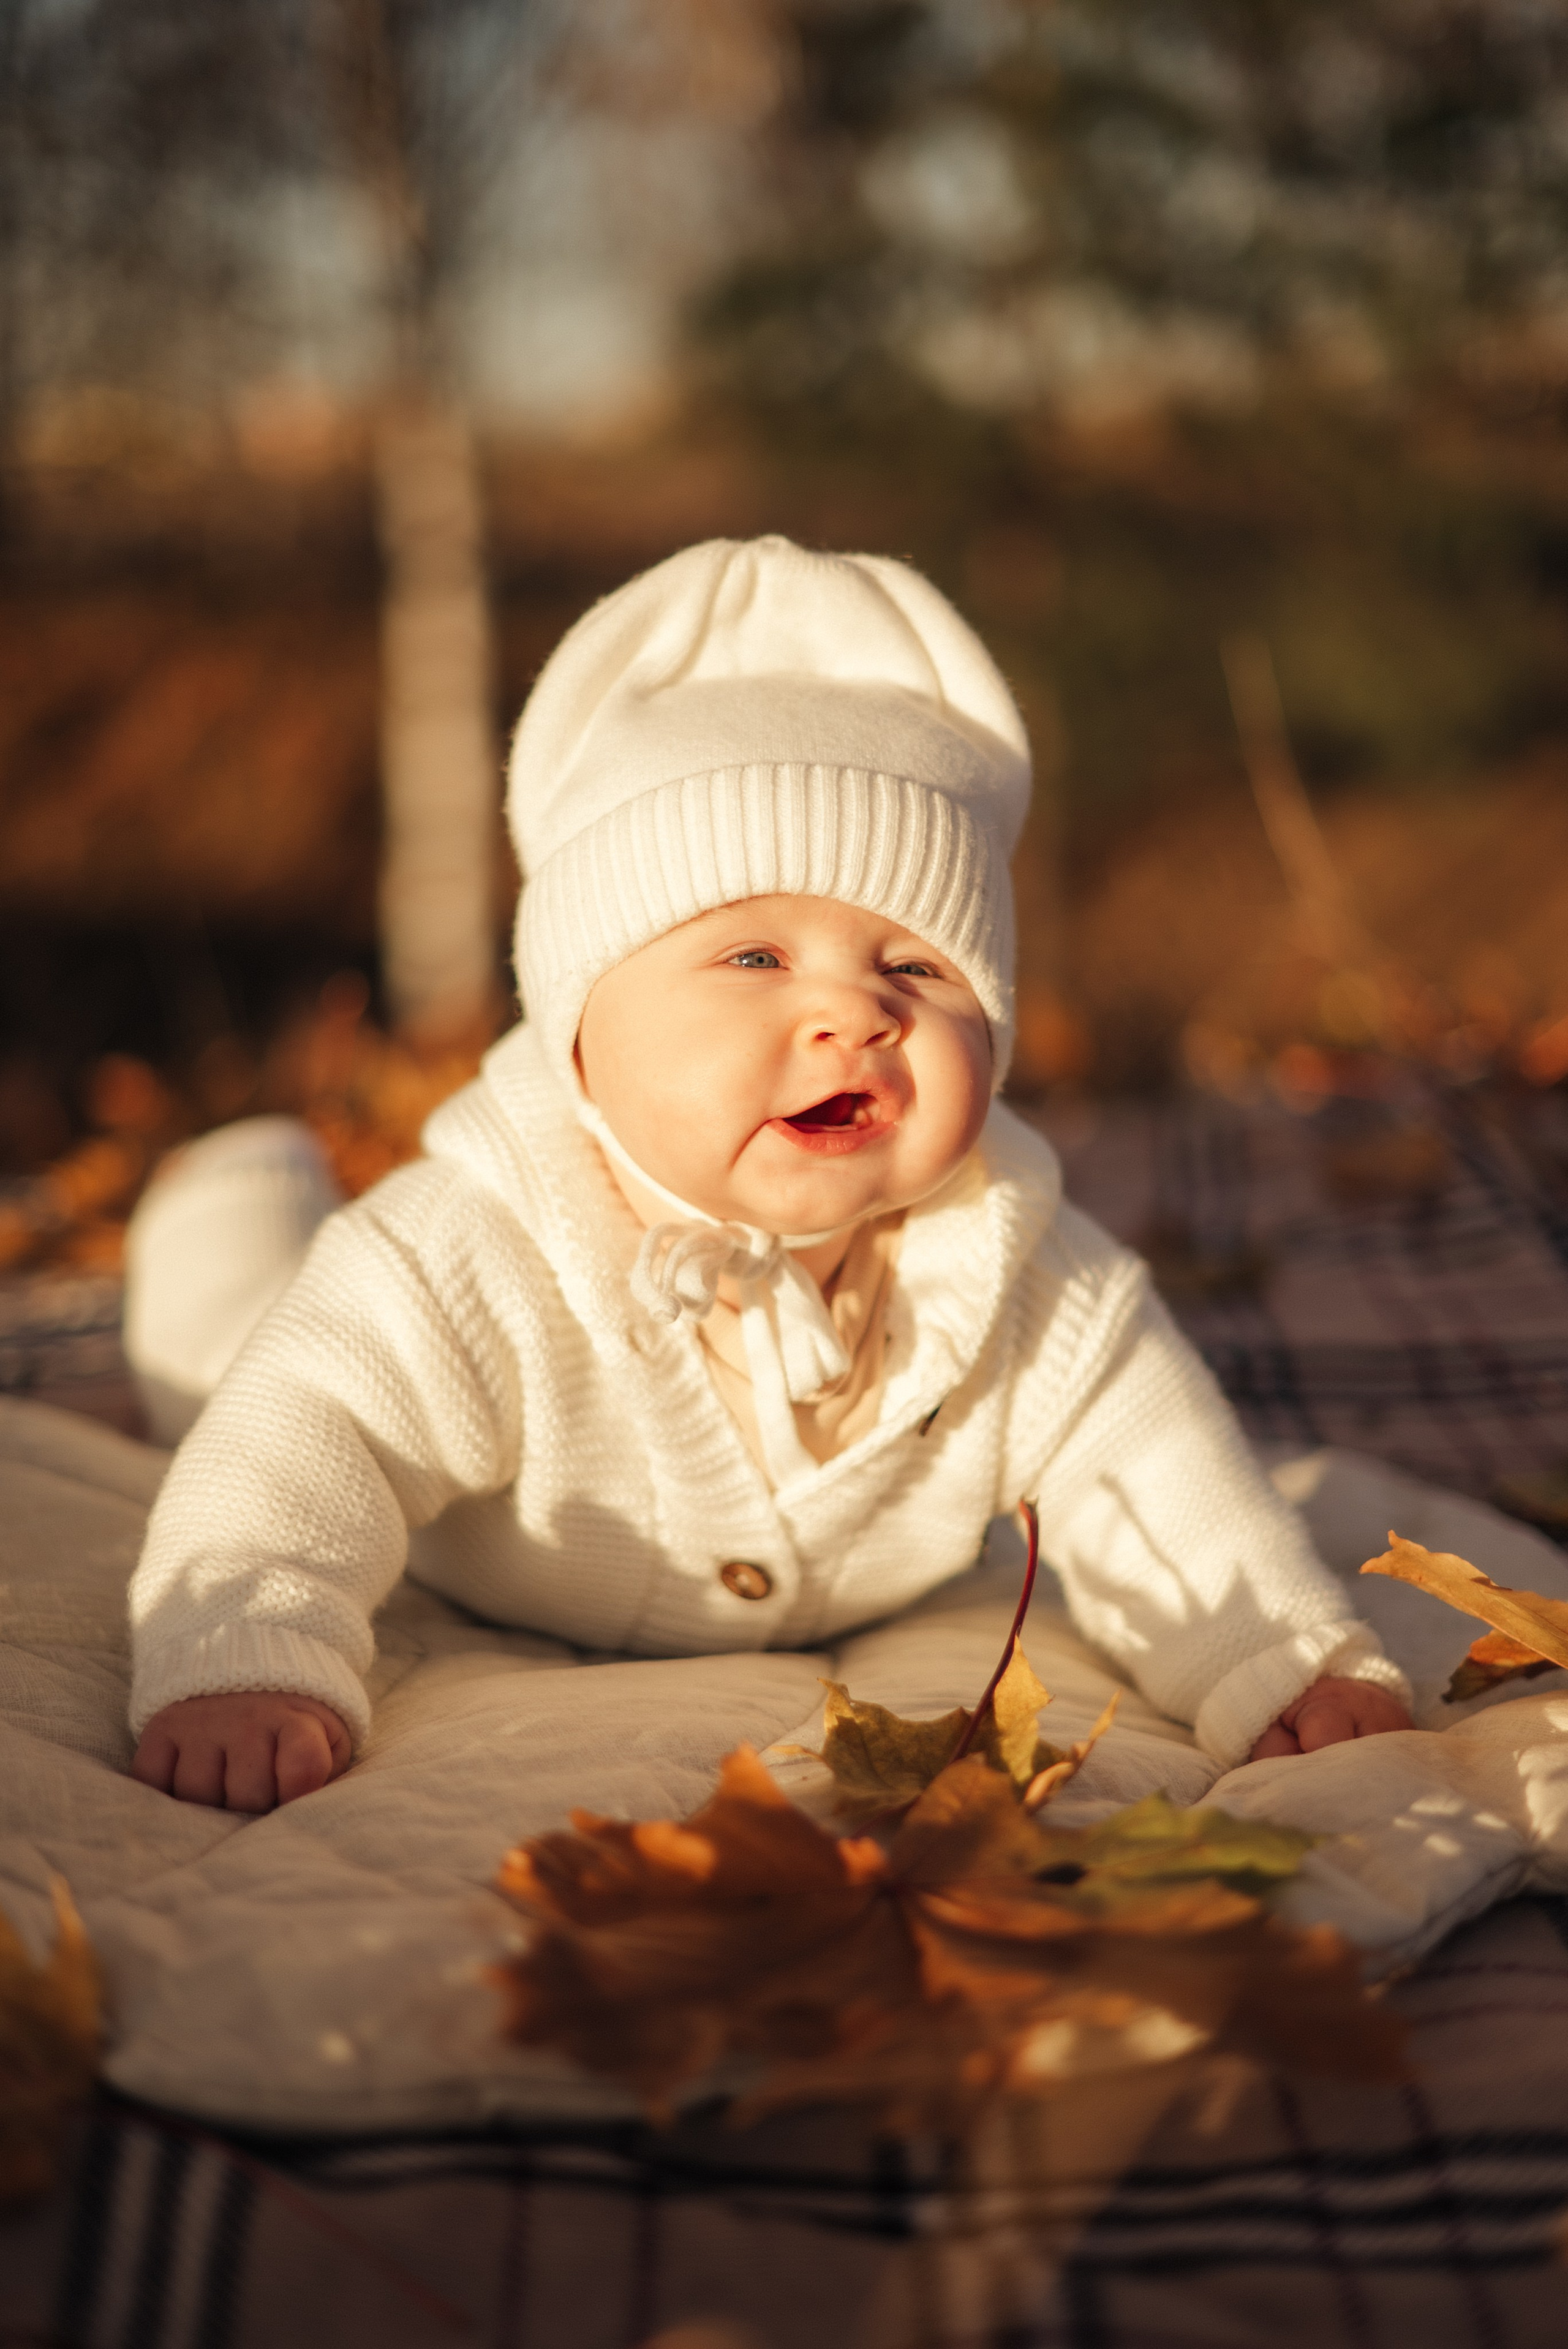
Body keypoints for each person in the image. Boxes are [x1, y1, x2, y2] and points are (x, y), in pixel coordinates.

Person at [126, 535, 1412, 1812]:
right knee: (228, 1350)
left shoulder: (1019, 1258)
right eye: (752, 960)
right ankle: (226, 1192)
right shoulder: (471, 1246)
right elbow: (308, 1436)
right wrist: (247, 1650)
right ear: (575, 1018)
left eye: (915, 968)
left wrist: (1269, 1657)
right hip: (472, 1536)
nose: (853, 1016)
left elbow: (1155, 1474)